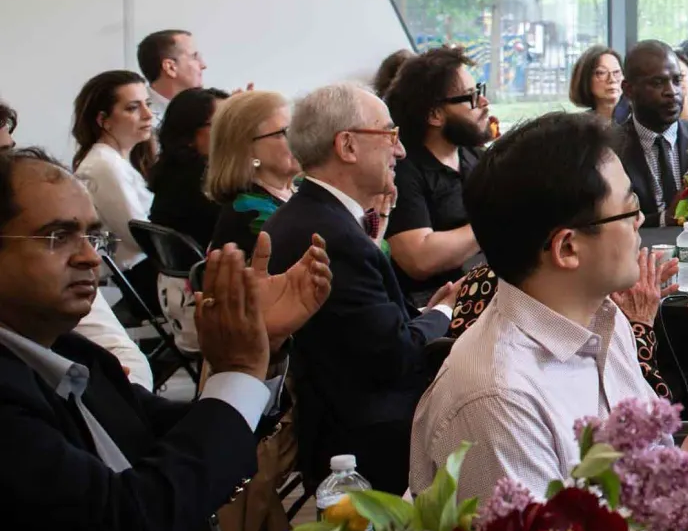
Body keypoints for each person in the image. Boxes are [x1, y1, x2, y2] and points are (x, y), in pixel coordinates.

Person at [410, 111, 688, 503]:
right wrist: (687, 473)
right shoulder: (498, 399)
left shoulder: (604, 317)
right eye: (630, 209)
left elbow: (634, 466)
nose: (640, 222)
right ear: (567, 248)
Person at [0, 146, 273, 531]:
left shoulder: (74, 353)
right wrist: (238, 374)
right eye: (58, 236)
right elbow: (129, 523)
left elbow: (179, 435)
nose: (91, 258)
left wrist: (263, 345)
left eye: (93, 236)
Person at [263, 84, 454, 492]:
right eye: (389, 134)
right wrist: (445, 313)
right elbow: (395, 357)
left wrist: (423, 316)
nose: (400, 151)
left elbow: (366, 332)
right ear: (347, 146)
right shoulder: (333, 236)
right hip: (370, 442)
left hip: (343, 417)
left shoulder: (309, 215)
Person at [70, 71, 159, 388]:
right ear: (103, 120)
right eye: (133, 107)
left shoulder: (117, 161)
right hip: (138, 278)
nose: (148, 115)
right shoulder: (103, 165)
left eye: (148, 104)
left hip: (141, 271)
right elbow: (142, 236)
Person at [382, 48, 489, 295]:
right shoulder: (401, 170)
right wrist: (496, 223)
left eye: (480, 90)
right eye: (471, 97)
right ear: (434, 115)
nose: (484, 103)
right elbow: (419, 258)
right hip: (433, 305)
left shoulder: (475, 156)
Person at [610, 40, 688, 228]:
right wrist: (664, 220)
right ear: (628, 90)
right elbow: (606, 223)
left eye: (676, 81)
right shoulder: (608, 151)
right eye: (658, 83)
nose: (672, 92)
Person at [206, 90, 301, 257]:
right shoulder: (250, 214)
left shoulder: (297, 188)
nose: (298, 139)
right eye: (284, 132)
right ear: (247, 150)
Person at [145, 86, 229, 248]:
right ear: (188, 135)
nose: (233, 130)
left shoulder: (172, 170)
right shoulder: (197, 179)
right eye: (222, 123)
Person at [135, 29, 205, 122]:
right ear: (170, 67)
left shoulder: (205, 109)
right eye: (194, 57)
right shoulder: (141, 120)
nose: (203, 65)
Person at [567, 44, 624, 123]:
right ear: (585, 79)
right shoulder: (579, 125)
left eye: (617, 72)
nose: (612, 79)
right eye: (601, 73)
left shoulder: (638, 119)